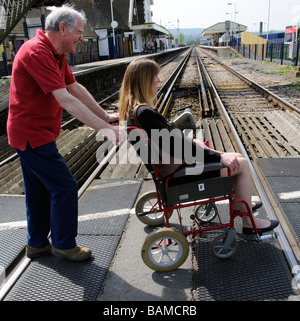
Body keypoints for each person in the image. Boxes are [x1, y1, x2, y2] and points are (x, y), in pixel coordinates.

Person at [7, 4, 127, 261]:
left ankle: (37, 244)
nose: (82, 38)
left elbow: (75, 88)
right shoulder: (37, 52)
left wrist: (105, 116)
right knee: (65, 187)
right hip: (32, 134)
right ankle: (63, 244)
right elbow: (65, 100)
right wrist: (106, 129)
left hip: (34, 133)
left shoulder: (56, 53)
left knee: (39, 191)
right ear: (63, 28)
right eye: (79, 32)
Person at [118, 58, 279, 235]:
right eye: (154, 76)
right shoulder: (145, 113)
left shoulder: (135, 111)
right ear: (143, 79)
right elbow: (178, 148)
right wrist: (218, 157)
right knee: (241, 164)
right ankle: (249, 222)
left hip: (174, 166)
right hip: (178, 174)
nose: (158, 80)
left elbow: (170, 144)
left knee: (235, 156)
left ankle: (242, 202)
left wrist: (202, 148)